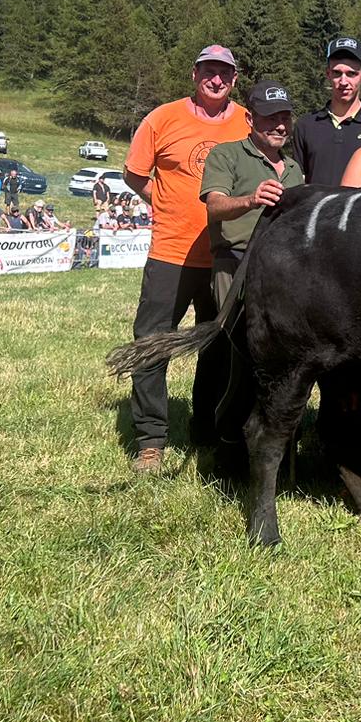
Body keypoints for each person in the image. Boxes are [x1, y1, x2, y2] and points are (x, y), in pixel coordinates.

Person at [122, 44, 250, 473]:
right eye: (209, 71)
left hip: (224, 255)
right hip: (171, 252)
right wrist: (161, 204)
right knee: (152, 343)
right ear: (195, 75)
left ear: (235, 79)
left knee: (217, 347)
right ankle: (151, 439)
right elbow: (135, 173)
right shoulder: (162, 118)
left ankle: (206, 429)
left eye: (225, 74)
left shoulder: (246, 121)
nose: (217, 80)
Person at [198, 80, 306, 450]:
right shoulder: (227, 155)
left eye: (284, 117)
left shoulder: (293, 169)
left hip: (281, 271)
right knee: (241, 353)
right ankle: (227, 440)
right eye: (269, 117)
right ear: (250, 118)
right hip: (235, 263)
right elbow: (214, 205)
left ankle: (272, 440)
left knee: (277, 355)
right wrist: (250, 199)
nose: (279, 125)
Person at [291, 36, 361, 185]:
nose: (343, 82)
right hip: (317, 208)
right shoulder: (306, 126)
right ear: (328, 74)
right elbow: (298, 182)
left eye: (351, 74)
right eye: (337, 73)